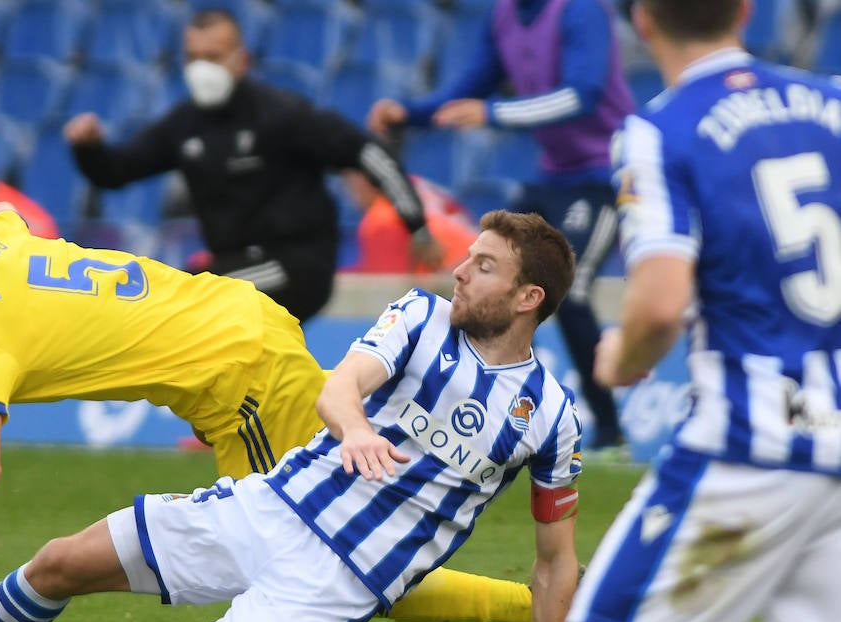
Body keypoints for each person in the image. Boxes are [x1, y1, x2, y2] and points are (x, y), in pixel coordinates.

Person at [0, 210, 584, 622]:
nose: (458, 272)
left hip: (236, 378)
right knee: (65, 561)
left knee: (343, 542)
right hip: (236, 326)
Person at [501, 2, 841, 622]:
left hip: (757, 444)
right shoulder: (829, 102)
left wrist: (622, 358)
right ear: (749, 10)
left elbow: (658, 300)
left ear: (641, 21)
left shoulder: (662, 128)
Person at [63, 7, 441, 324]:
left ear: (241, 60)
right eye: (193, 58)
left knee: (189, 294)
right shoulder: (183, 125)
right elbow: (117, 172)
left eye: (213, 58)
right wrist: (89, 148)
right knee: (193, 304)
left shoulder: (280, 114)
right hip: (235, 263)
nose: (201, 69)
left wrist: (417, 226)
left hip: (298, 265)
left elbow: (367, 154)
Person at [370, 0, 634, 452]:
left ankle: (610, 432)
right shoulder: (506, 13)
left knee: (573, 294)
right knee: (479, 280)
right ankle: (457, 413)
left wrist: (493, 113)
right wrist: (410, 113)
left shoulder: (580, 9)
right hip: (553, 174)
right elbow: (471, 88)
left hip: (604, 175)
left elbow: (581, 95)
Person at [341, 171, 478, 275]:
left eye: (348, 180)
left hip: (455, 282)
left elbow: (387, 293)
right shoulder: (414, 183)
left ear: (363, 180)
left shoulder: (382, 219)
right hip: (480, 263)